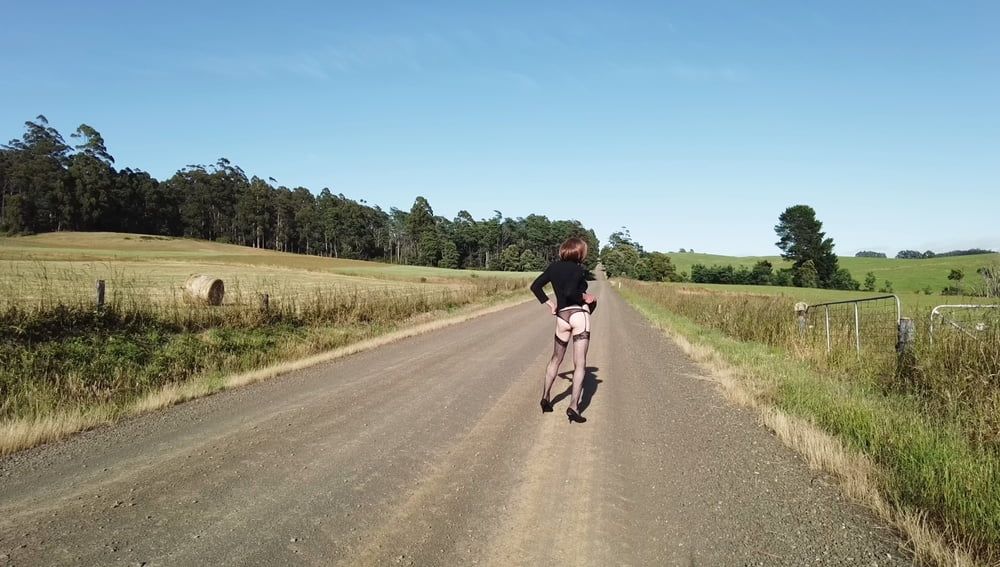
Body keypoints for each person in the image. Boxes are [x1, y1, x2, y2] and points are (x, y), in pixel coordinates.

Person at [529, 237, 597, 423]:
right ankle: (574, 407)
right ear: (579, 252)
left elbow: (535, 286)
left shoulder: (553, 268)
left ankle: (546, 397)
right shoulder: (578, 269)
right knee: (580, 364)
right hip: (578, 315)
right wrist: (586, 297)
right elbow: (570, 292)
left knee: (555, 359)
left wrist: (550, 304)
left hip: (562, 318)